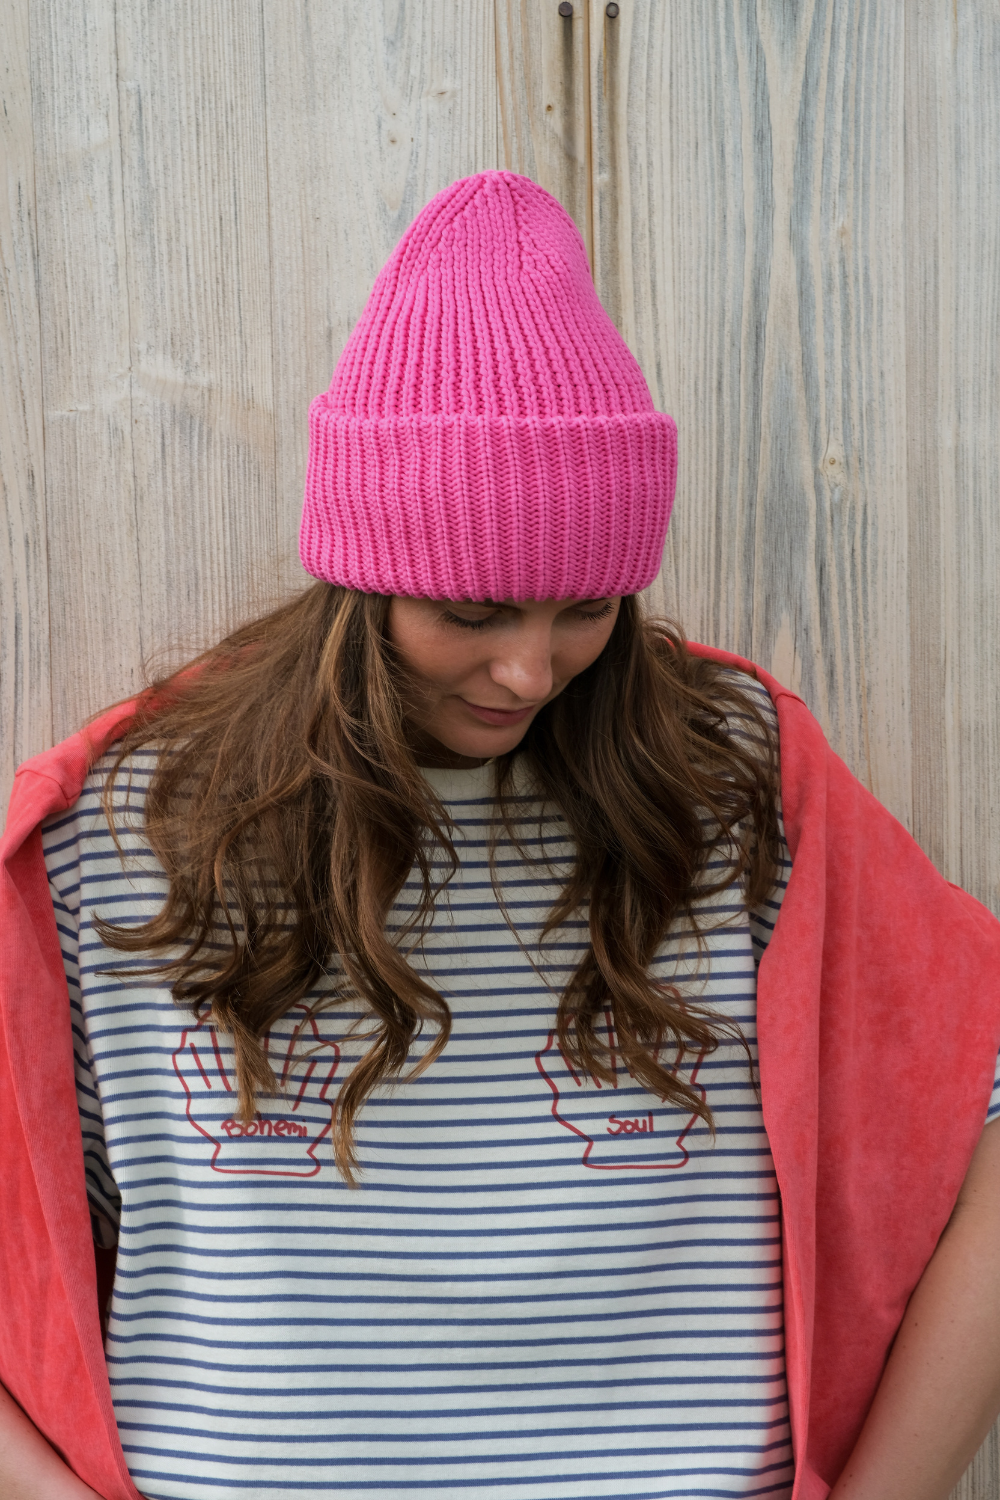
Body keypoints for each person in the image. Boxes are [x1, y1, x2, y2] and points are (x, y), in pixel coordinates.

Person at [2, 170, 1000, 1500]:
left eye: (586, 609)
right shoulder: (122, 823)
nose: (531, 672)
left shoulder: (737, 783)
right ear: (360, 581)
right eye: (472, 614)